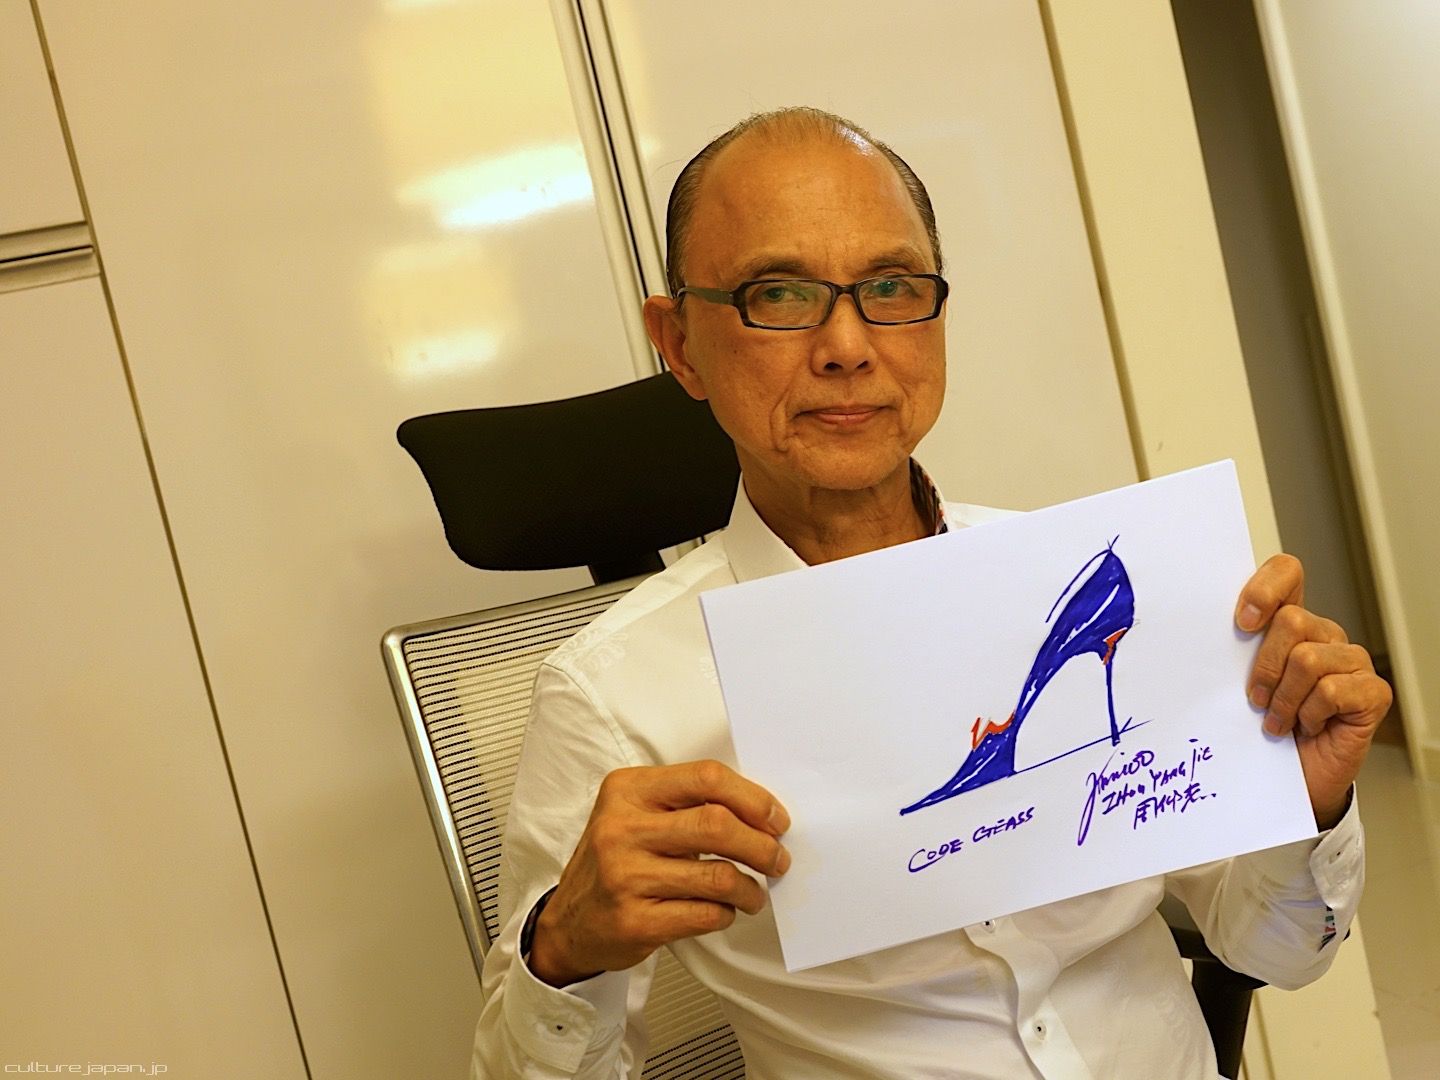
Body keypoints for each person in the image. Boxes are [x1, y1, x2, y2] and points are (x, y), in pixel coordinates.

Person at [470, 107, 1390, 1079]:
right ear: (681, 344)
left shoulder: (1092, 591)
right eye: (778, 294)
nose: (846, 345)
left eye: (890, 287)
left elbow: (1279, 951)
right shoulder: (609, 699)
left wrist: (1308, 799)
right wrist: (564, 949)